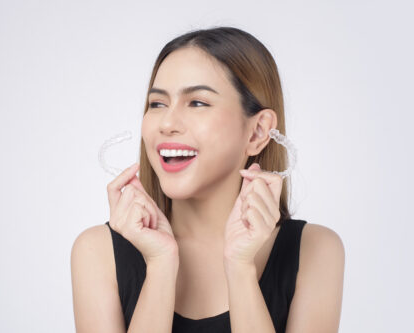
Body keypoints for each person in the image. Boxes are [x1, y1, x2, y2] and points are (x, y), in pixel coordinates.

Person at [70, 26, 344, 333]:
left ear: (257, 132)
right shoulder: (96, 252)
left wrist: (240, 269)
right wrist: (160, 266)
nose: (167, 123)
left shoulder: (316, 250)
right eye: (158, 104)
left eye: (197, 102)